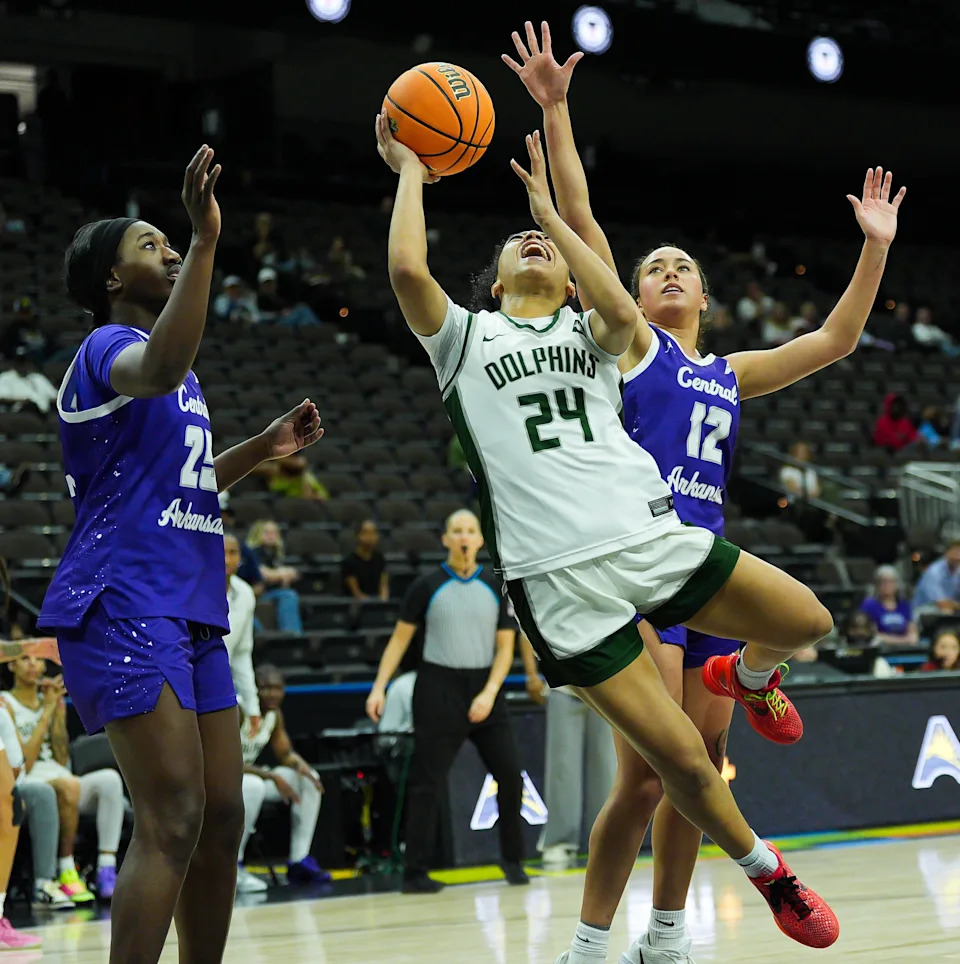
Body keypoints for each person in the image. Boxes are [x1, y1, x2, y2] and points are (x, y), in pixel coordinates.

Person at [377, 48, 851, 948]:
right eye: (523, 243)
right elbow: (407, 273)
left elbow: (599, 258)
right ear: (497, 276)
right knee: (672, 761)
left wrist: (553, 207)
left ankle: (748, 683)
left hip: (647, 538)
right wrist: (410, 169)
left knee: (809, 620)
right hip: (555, 581)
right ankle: (754, 880)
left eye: (553, 250)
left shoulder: (602, 338)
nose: (538, 247)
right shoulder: (464, 341)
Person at [502, 19, 903, 963]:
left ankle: (671, 931)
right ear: (633, 297)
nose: (670, 270)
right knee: (646, 780)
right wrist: (557, 111)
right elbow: (584, 222)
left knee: (704, 765)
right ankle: (594, 942)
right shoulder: (629, 348)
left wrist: (874, 248)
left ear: (707, 302)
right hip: (635, 569)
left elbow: (835, 341)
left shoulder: (725, 372)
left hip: (708, 572)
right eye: (654, 267)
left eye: (685, 266)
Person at [34, 146, 323, 964]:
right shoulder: (105, 352)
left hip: (189, 607)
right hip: (121, 599)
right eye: (149, 245)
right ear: (112, 281)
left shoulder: (182, 382)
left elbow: (185, 480)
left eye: (171, 242)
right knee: (172, 816)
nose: (165, 250)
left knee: (225, 814)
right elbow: (159, 365)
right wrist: (202, 240)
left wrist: (258, 450)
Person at [366, 510, 526, 893]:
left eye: (470, 531)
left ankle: (513, 861)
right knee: (427, 783)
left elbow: (506, 648)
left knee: (509, 775)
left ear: (481, 540)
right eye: (457, 531)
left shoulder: (494, 584)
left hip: (485, 687)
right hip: (438, 686)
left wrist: (489, 693)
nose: (464, 537)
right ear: (445, 539)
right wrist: (379, 686)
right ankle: (415, 872)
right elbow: (400, 641)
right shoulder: (426, 585)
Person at [3, 654, 126, 902]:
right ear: (11, 665)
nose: (32, 664)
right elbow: (23, 760)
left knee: (110, 780)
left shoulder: (50, 700)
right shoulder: (6, 703)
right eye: (25, 658)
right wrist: (47, 712)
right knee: (66, 786)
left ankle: (106, 868)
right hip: (27, 779)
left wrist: (56, 710)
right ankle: (67, 870)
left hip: (56, 775)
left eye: (38, 659)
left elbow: (60, 758)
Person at [520, 635, 615, 868]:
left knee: (607, 769)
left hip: (607, 679)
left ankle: (607, 842)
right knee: (562, 767)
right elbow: (525, 625)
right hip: (562, 681)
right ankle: (559, 842)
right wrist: (532, 674)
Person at [237, 665, 330, 893]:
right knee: (254, 785)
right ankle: (234, 866)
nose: (272, 694)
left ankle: (299, 860)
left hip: (252, 776)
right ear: (253, 688)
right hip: (221, 782)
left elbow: (286, 754)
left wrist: (304, 768)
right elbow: (224, 761)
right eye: (266, 688)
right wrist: (271, 775)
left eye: (277, 688)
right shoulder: (238, 709)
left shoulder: (274, 714)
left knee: (307, 780)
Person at [223, 532, 261, 735]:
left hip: (217, 682)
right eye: (221, 552)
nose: (227, 559)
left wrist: (252, 706)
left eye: (233, 553)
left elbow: (241, 654)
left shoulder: (246, 593)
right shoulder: (192, 589)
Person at [246, 520, 305, 633]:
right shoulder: (253, 552)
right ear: (257, 534)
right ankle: (290, 635)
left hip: (268, 591)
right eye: (266, 532)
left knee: (289, 594)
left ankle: (292, 635)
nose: (271, 536)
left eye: (274, 532)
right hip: (252, 593)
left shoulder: (275, 554)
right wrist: (281, 574)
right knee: (288, 595)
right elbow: (264, 573)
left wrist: (280, 574)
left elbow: (293, 573)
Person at [860, 565, 918, 646]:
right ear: (877, 584)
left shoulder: (904, 605)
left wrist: (886, 638)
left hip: (904, 649)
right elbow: (873, 636)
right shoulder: (869, 605)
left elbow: (913, 637)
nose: (887, 585)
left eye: (891, 581)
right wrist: (904, 640)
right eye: (883, 581)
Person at [342, 519, 390, 601]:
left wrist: (383, 601)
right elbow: (356, 592)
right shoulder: (350, 561)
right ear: (358, 535)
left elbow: (383, 585)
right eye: (366, 532)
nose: (370, 537)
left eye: (373, 533)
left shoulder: (379, 558)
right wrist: (371, 604)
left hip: (377, 603)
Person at [912, 541, 960, 616]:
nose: (958, 557)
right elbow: (942, 603)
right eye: (956, 553)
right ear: (947, 553)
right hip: (924, 612)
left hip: (946, 612)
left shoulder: (957, 572)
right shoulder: (934, 571)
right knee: (946, 612)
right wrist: (956, 605)